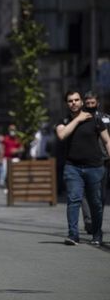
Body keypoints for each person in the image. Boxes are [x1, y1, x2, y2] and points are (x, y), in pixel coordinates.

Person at [56, 90, 110, 246]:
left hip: (95, 167)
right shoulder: (64, 120)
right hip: (73, 167)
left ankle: (97, 234)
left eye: (76, 100)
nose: (73, 103)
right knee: (73, 200)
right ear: (67, 104)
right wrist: (78, 119)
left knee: (96, 203)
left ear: (81, 102)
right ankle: (73, 235)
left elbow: (107, 140)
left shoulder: (95, 119)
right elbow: (62, 135)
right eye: (70, 101)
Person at [80, 91, 110, 234]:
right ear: (84, 104)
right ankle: (89, 221)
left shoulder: (106, 119)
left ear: (97, 103)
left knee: (101, 195)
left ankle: (97, 222)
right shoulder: (80, 119)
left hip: (103, 161)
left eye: (93, 103)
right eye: (88, 103)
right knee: (85, 193)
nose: (90, 105)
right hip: (85, 160)